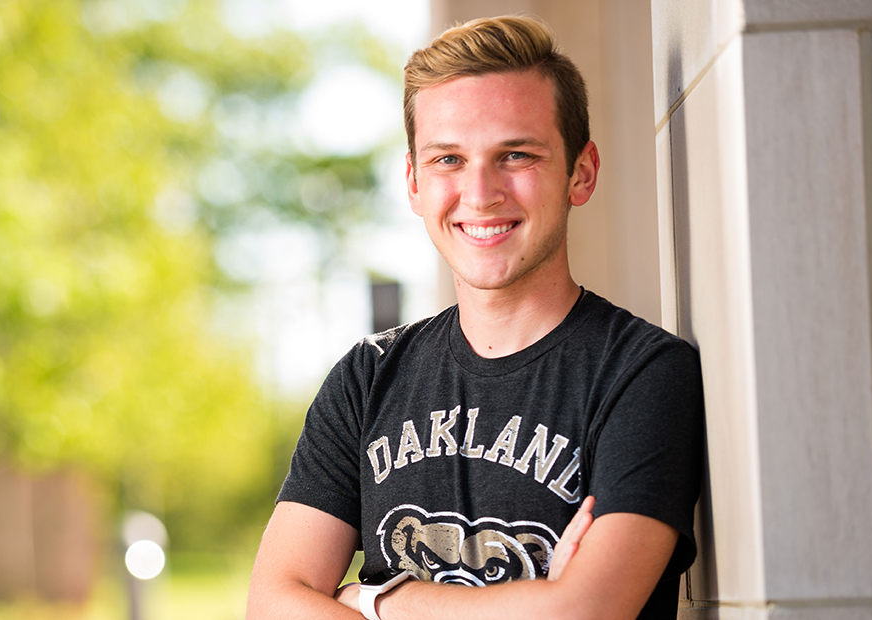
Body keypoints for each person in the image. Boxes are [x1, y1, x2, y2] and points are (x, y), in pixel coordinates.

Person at [245, 15, 705, 620]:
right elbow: (272, 603)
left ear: (581, 172)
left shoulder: (643, 375)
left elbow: (585, 611)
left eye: (516, 154)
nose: (481, 192)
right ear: (413, 182)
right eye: (448, 160)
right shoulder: (367, 379)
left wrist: (379, 601)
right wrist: (535, 602)